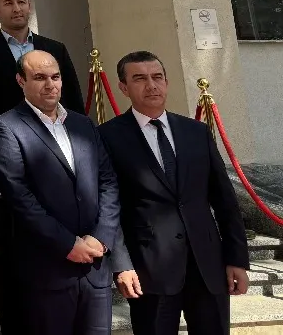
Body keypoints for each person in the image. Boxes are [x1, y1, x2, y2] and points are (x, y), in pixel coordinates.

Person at [0, 0, 86, 333]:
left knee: (63, 237)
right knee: (16, 252)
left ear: (29, 5)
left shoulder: (55, 48)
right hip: (11, 164)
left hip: (59, 162)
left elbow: (75, 106)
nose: (17, 9)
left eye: (22, 2)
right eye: (9, 3)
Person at [101, 51, 249, 335]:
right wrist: (121, 265)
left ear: (167, 82)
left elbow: (225, 200)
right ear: (123, 87)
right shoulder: (108, 137)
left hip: (208, 268)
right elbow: (109, 207)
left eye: (157, 77)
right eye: (140, 79)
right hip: (149, 271)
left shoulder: (196, 132)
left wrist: (237, 259)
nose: (151, 85)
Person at [0, 49, 121, 335]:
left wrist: (101, 237)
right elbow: (19, 197)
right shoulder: (7, 127)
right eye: (39, 77)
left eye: (55, 76)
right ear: (20, 81)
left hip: (94, 266)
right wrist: (67, 244)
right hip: (48, 269)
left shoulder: (83, 123)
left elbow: (108, 182)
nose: (50, 84)